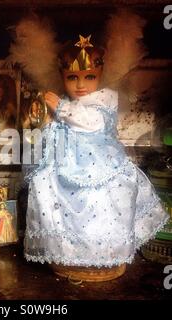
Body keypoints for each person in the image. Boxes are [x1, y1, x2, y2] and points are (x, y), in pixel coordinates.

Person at [24, 35, 169, 271]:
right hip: (65, 160)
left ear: (100, 76)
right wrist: (48, 122)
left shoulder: (104, 99)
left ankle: (105, 254)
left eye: (89, 77)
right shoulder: (66, 104)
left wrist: (60, 108)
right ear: (63, 77)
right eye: (73, 78)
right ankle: (67, 252)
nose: (81, 85)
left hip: (99, 163)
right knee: (48, 189)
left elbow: (90, 122)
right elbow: (48, 133)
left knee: (102, 200)